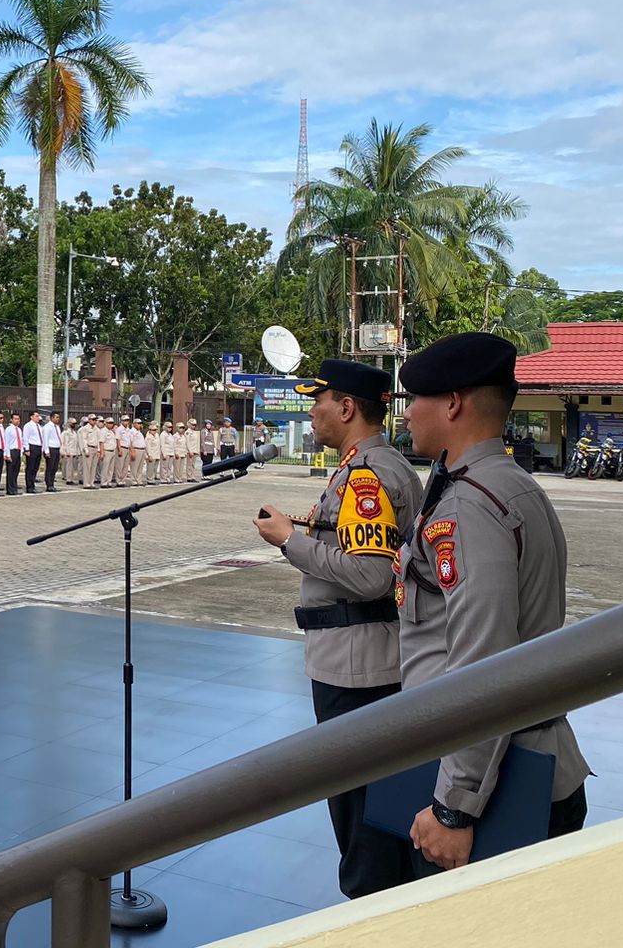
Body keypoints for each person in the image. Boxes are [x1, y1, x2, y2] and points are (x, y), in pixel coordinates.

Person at [396, 331, 590, 873]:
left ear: (453, 403)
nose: (408, 413)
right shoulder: (510, 484)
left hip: (494, 786)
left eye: (416, 399)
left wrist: (454, 809)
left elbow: (484, 661)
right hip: (519, 764)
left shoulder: (469, 507)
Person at [254, 360, 421, 898]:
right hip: (367, 656)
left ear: (346, 407)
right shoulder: (373, 465)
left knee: (360, 813)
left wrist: (289, 540)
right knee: (378, 805)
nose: (312, 411)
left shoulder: (366, 475)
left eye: (318, 401)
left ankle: (367, 911)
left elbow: (371, 575)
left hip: (356, 667)